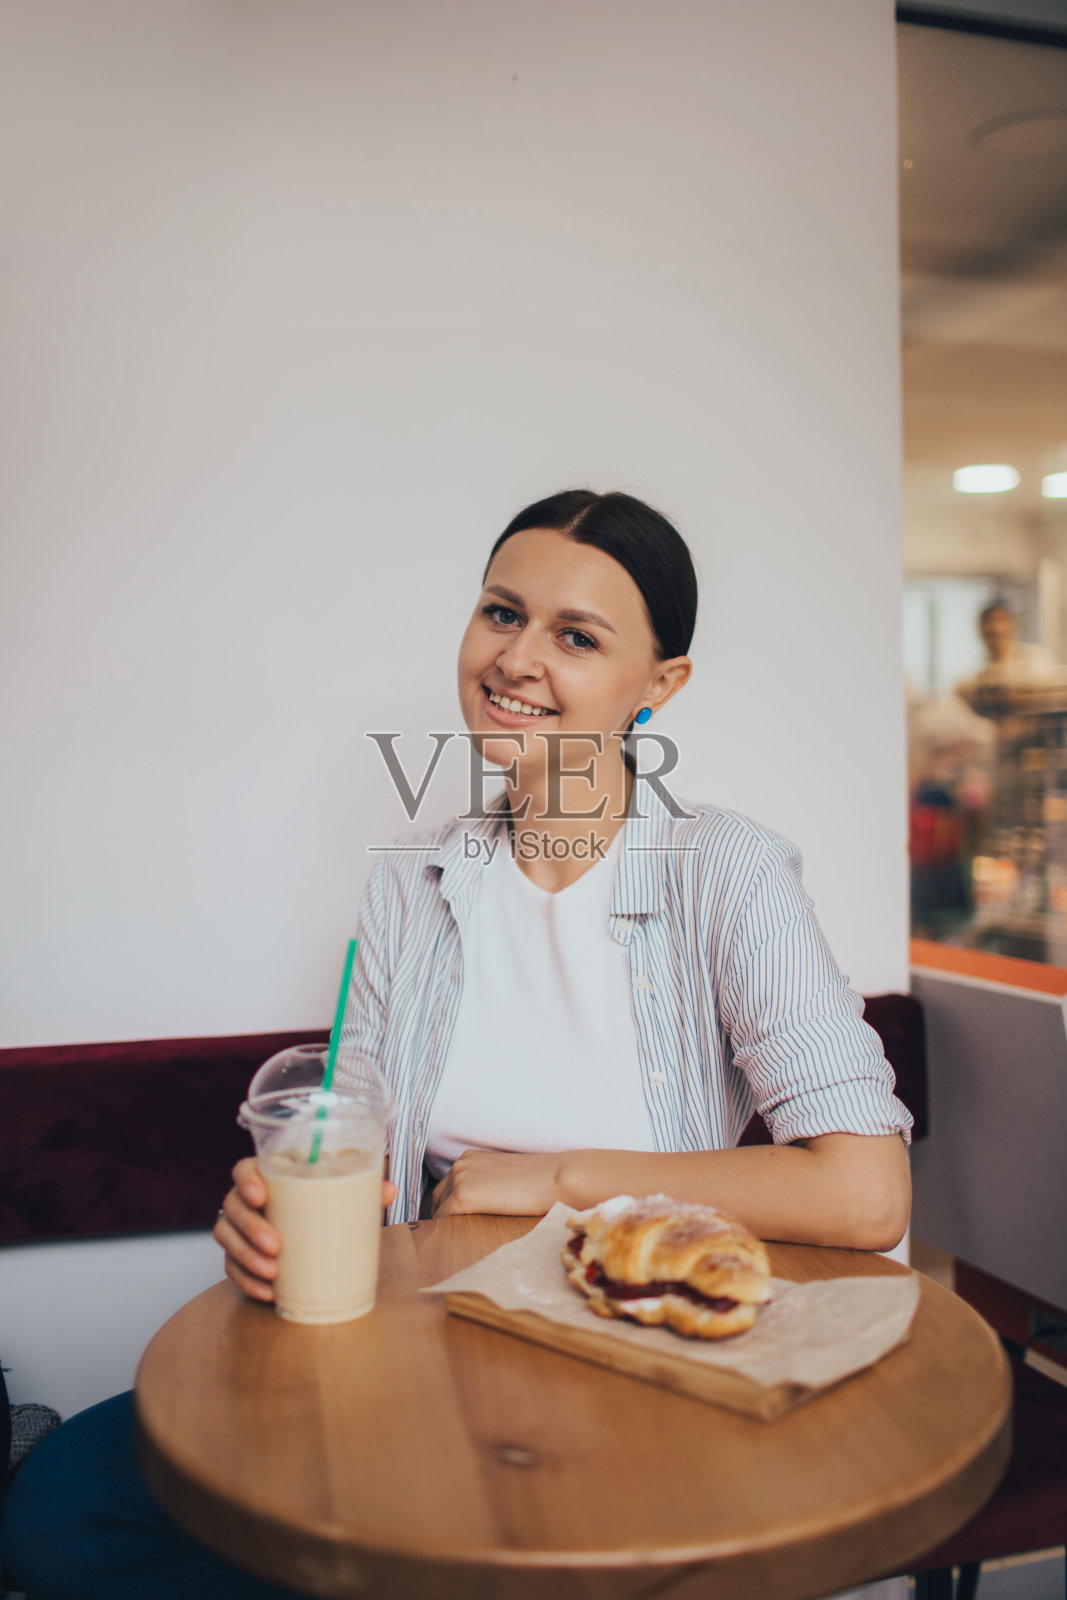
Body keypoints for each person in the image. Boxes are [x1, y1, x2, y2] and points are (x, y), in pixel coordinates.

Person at [1, 489, 912, 1599]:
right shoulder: (412, 878)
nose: (516, 659)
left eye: (577, 637)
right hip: (409, 1337)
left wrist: (552, 1179)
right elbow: (349, 1138)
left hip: (617, 1353)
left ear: (658, 685)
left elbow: (864, 1192)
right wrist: (277, 1211)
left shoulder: (727, 872)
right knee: (59, 1515)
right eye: (501, 613)